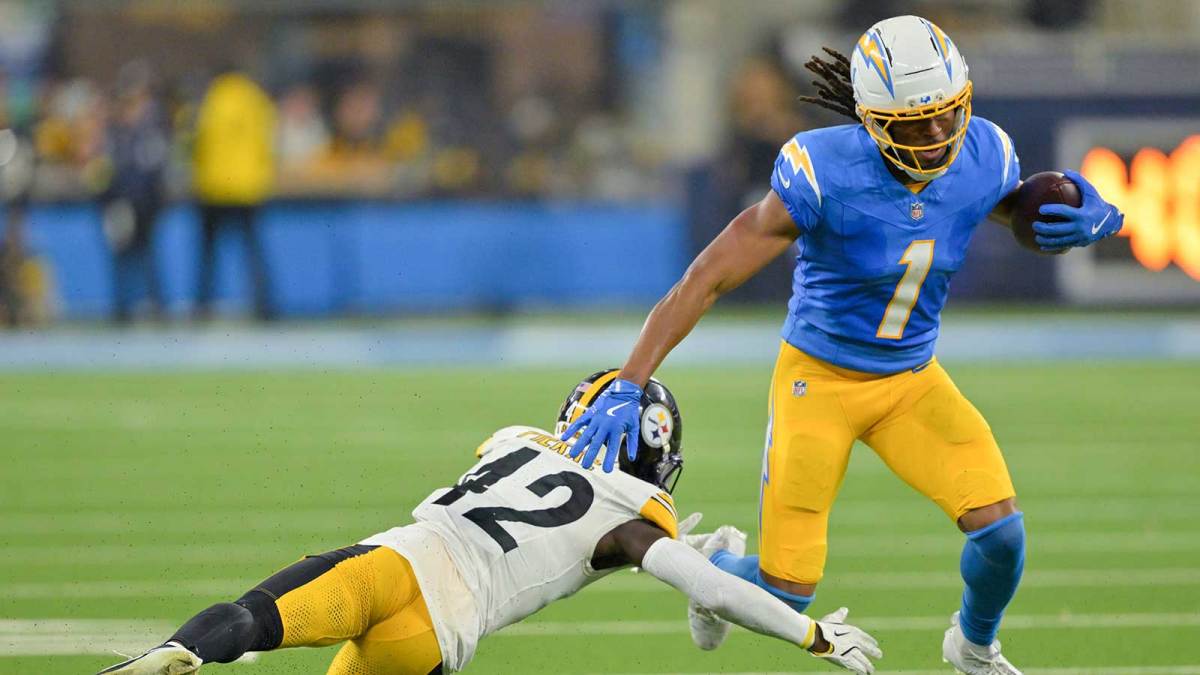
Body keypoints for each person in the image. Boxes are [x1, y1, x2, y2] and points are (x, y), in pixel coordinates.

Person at [560, 15, 1124, 675]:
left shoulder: (985, 154)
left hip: (911, 380)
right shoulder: (824, 172)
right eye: (917, 125)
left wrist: (1096, 216)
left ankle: (973, 645)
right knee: (783, 590)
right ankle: (711, 567)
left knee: (1002, 534)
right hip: (818, 384)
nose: (939, 137)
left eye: (948, 116)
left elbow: (999, 205)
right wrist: (631, 376)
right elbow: (706, 278)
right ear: (874, 121)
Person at [97, 370, 882, 675]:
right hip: (435, 641)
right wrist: (810, 635)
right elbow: (711, 590)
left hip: (392, 564)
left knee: (246, 617)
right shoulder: (635, 519)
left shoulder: (516, 440)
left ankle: (174, 653)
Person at [191, 65, 276, 320]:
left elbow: (198, 140)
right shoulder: (256, 99)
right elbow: (267, 141)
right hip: (248, 186)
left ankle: (203, 306)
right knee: (253, 251)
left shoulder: (211, 100)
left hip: (214, 186)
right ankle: (264, 305)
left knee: (208, 253)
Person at [100, 61, 169, 323]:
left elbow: (152, 164)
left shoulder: (153, 122)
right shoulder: (117, 125)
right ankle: (123, 307)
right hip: (122, 198)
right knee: (123, 254)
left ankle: (154, 305)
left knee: (147, 253)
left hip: (144, 199)